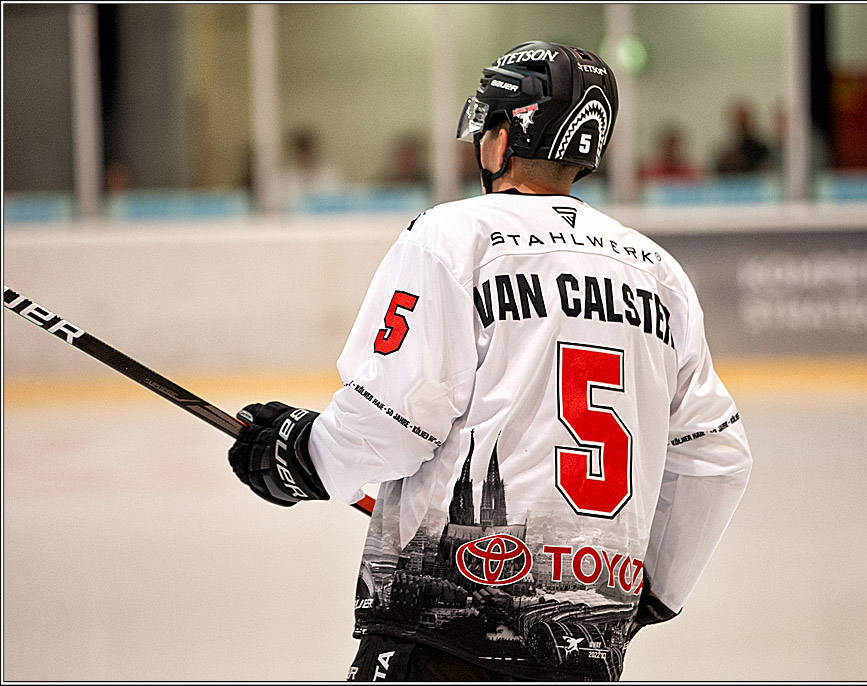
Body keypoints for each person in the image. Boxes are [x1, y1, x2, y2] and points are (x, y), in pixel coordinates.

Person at [227, 41, 752, 682]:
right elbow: (716, 459)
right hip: (585, 648)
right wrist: (653, 593)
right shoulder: (659, 275)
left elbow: (392, 421)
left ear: (505, 137)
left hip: (442, 644)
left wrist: (301, 455)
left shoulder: (453, 238)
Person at [714, 101, 772, 174]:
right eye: (738, 120)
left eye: (744, 120)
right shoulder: (725, 152)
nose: (741, 124)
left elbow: (766, 172)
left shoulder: (762, 149)